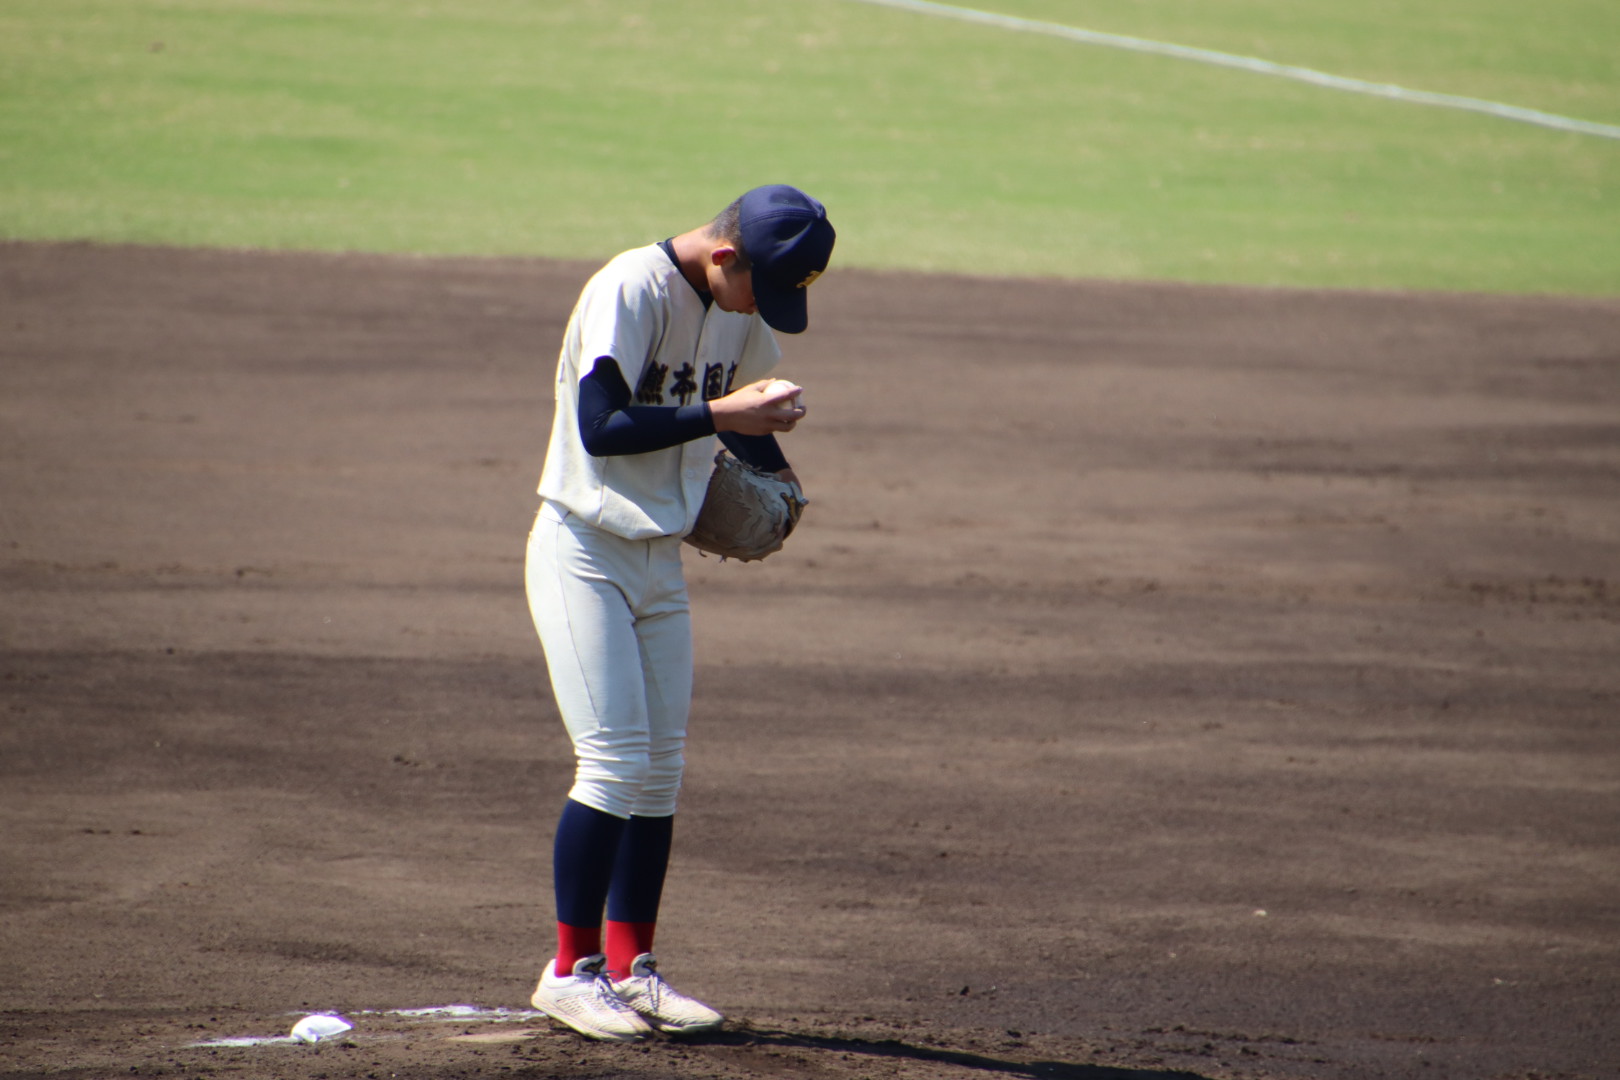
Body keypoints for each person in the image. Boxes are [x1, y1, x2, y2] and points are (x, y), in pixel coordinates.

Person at [523, 185, 835, 1041]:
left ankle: (633, 969)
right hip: (583, 552)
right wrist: (721, 413)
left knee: (659, 774)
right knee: (615, 764)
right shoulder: (630, 288)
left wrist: (778, 469)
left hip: (659, 558)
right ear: (724, 256)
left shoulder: (737, 311)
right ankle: (569, 971)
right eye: (761, 290)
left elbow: (745, 412)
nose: (761, 312)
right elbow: (601, 425)